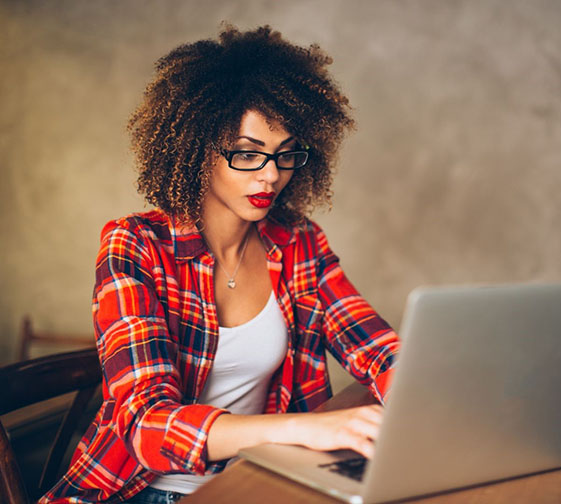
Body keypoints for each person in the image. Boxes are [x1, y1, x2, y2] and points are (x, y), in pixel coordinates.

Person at [42, 25, 400, 504]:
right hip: (148, 491)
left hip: (261, 483)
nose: (271, 175)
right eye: (248, 154)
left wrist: (417, 396)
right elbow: (148, 425)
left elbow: (375, 347)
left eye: (285, 154)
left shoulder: (298, 242)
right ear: (196, 149)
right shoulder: (136, 245)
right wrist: (307, 429)